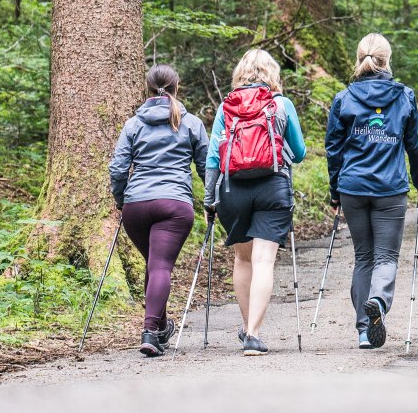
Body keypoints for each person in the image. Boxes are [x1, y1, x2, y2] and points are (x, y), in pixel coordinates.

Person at [325, 33, 418, 349]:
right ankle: (379, 302)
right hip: (390, 189)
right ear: (387, 60)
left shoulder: (344, 98)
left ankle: (363, 330)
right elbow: (416, 146)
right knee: (386, 256)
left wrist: (335, 191)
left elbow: (334, 149)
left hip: (353, 188)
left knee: (364, 257)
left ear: (359, 59)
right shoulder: (404, 97)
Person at [205, 48, 307, 355]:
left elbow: (213, 158)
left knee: (243, 259)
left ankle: (247, 325)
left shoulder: (227, 106)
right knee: (263, 261)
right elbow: (299, 153)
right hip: (273, 187)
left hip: (233, 190)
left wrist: (209, 199)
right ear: (272, 73)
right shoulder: (281, 104)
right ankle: (253, 333)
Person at [108, 65, 211, 357]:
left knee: (155, 266)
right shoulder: (190, 123)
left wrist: (121, 200)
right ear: (177, 87)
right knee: (160, 267)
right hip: (174, 205)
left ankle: (161, 327)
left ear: (148, 88)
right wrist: (212, 200)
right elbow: (206, 167)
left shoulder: (133, 125)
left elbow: (118, 169)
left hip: (136, 206)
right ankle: (151, 332)